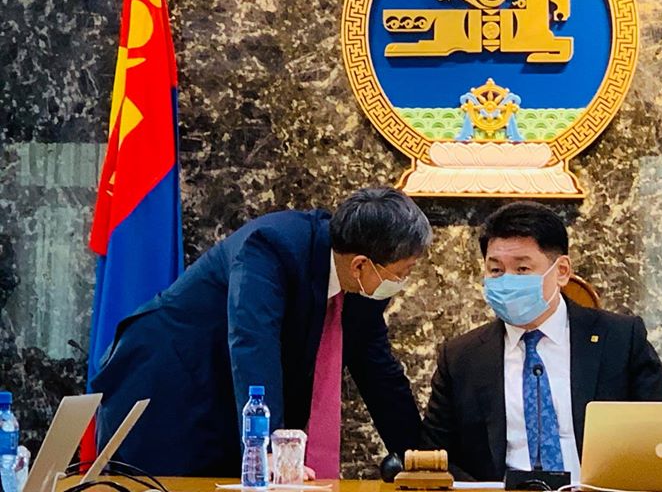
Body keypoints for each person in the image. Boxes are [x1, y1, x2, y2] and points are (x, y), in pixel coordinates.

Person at [91, 187, 431, 477]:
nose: (402, 281)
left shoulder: (363, 287)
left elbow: (379, 372)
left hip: (227, 396)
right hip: (166, 388)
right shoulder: (272, 246)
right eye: (403, 272)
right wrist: (264, 448)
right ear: (360, 264)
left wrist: (421, 459)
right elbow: (254, 343)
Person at [422, 201, 662, 481]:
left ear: (561, 271)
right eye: (496, 271)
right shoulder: (461, 357)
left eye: (522, 269)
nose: (507, 281)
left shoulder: (620, 339)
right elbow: (436, 453)